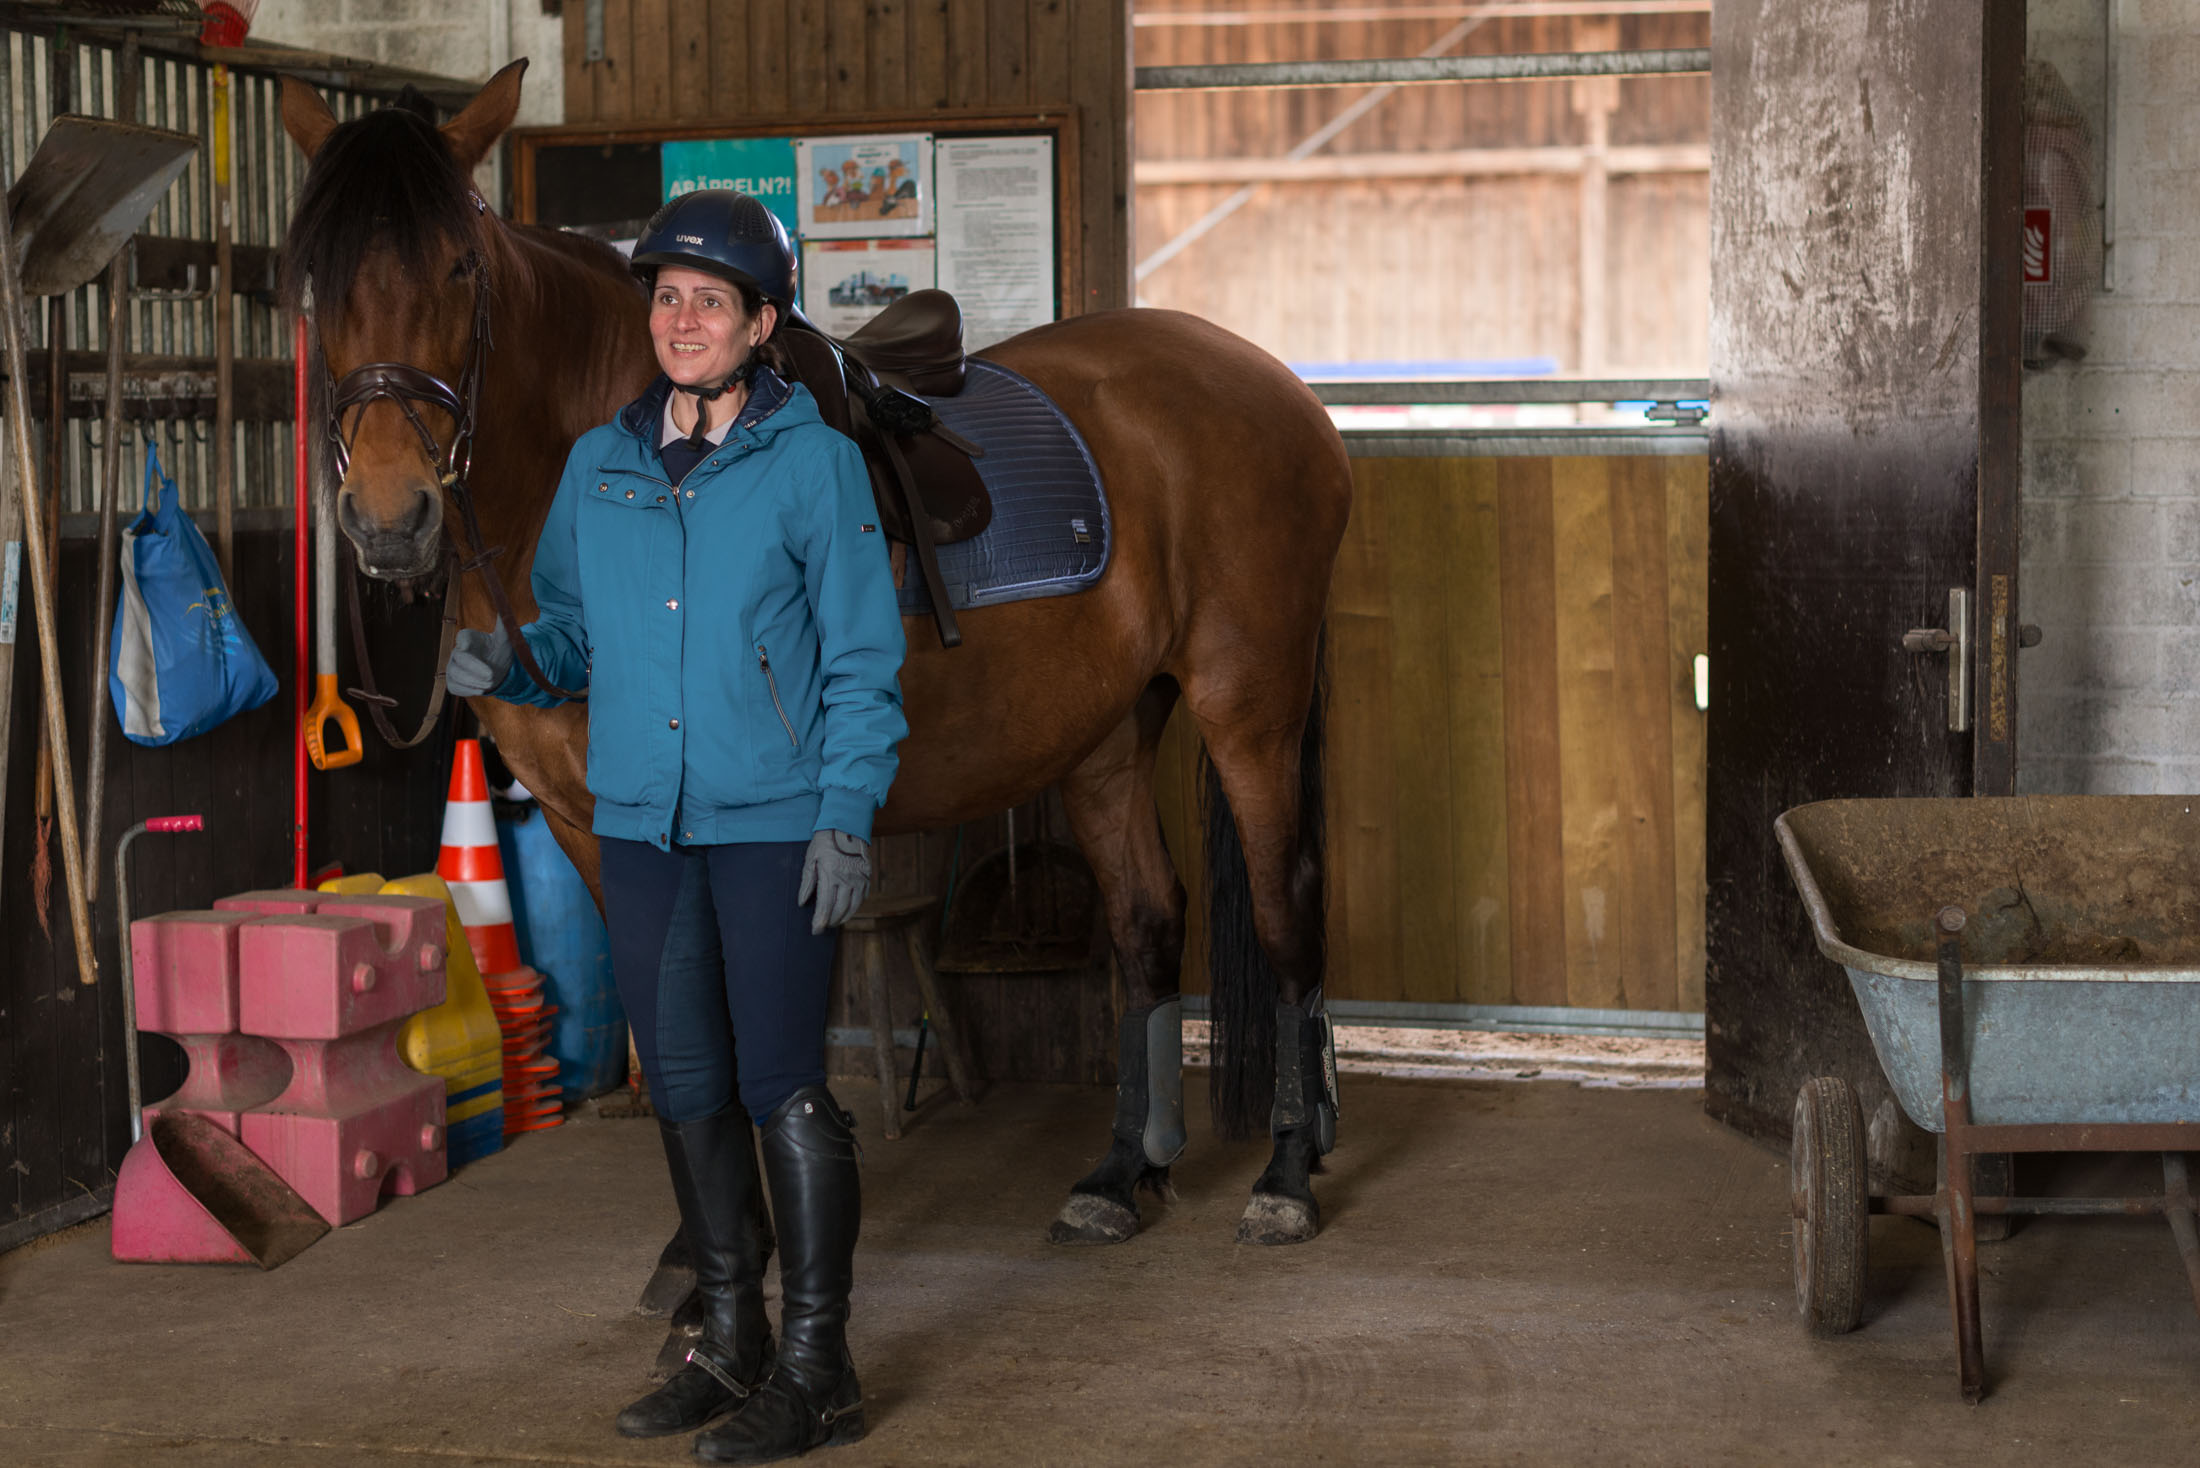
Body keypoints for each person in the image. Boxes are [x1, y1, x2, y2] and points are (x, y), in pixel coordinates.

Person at [446, 189, 905, 1465]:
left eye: (711, 299)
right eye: (665, 296)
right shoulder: (601, 465)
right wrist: (513, 660)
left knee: (783, 1093)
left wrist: (846, 814)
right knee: (688, 1087)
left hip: (772, 823)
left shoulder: (813, 464)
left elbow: (866, 662)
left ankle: (820, 1369)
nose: (683, 317)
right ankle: (729, 1341)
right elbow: (576, 639)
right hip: (643, 822)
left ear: (762, 323)